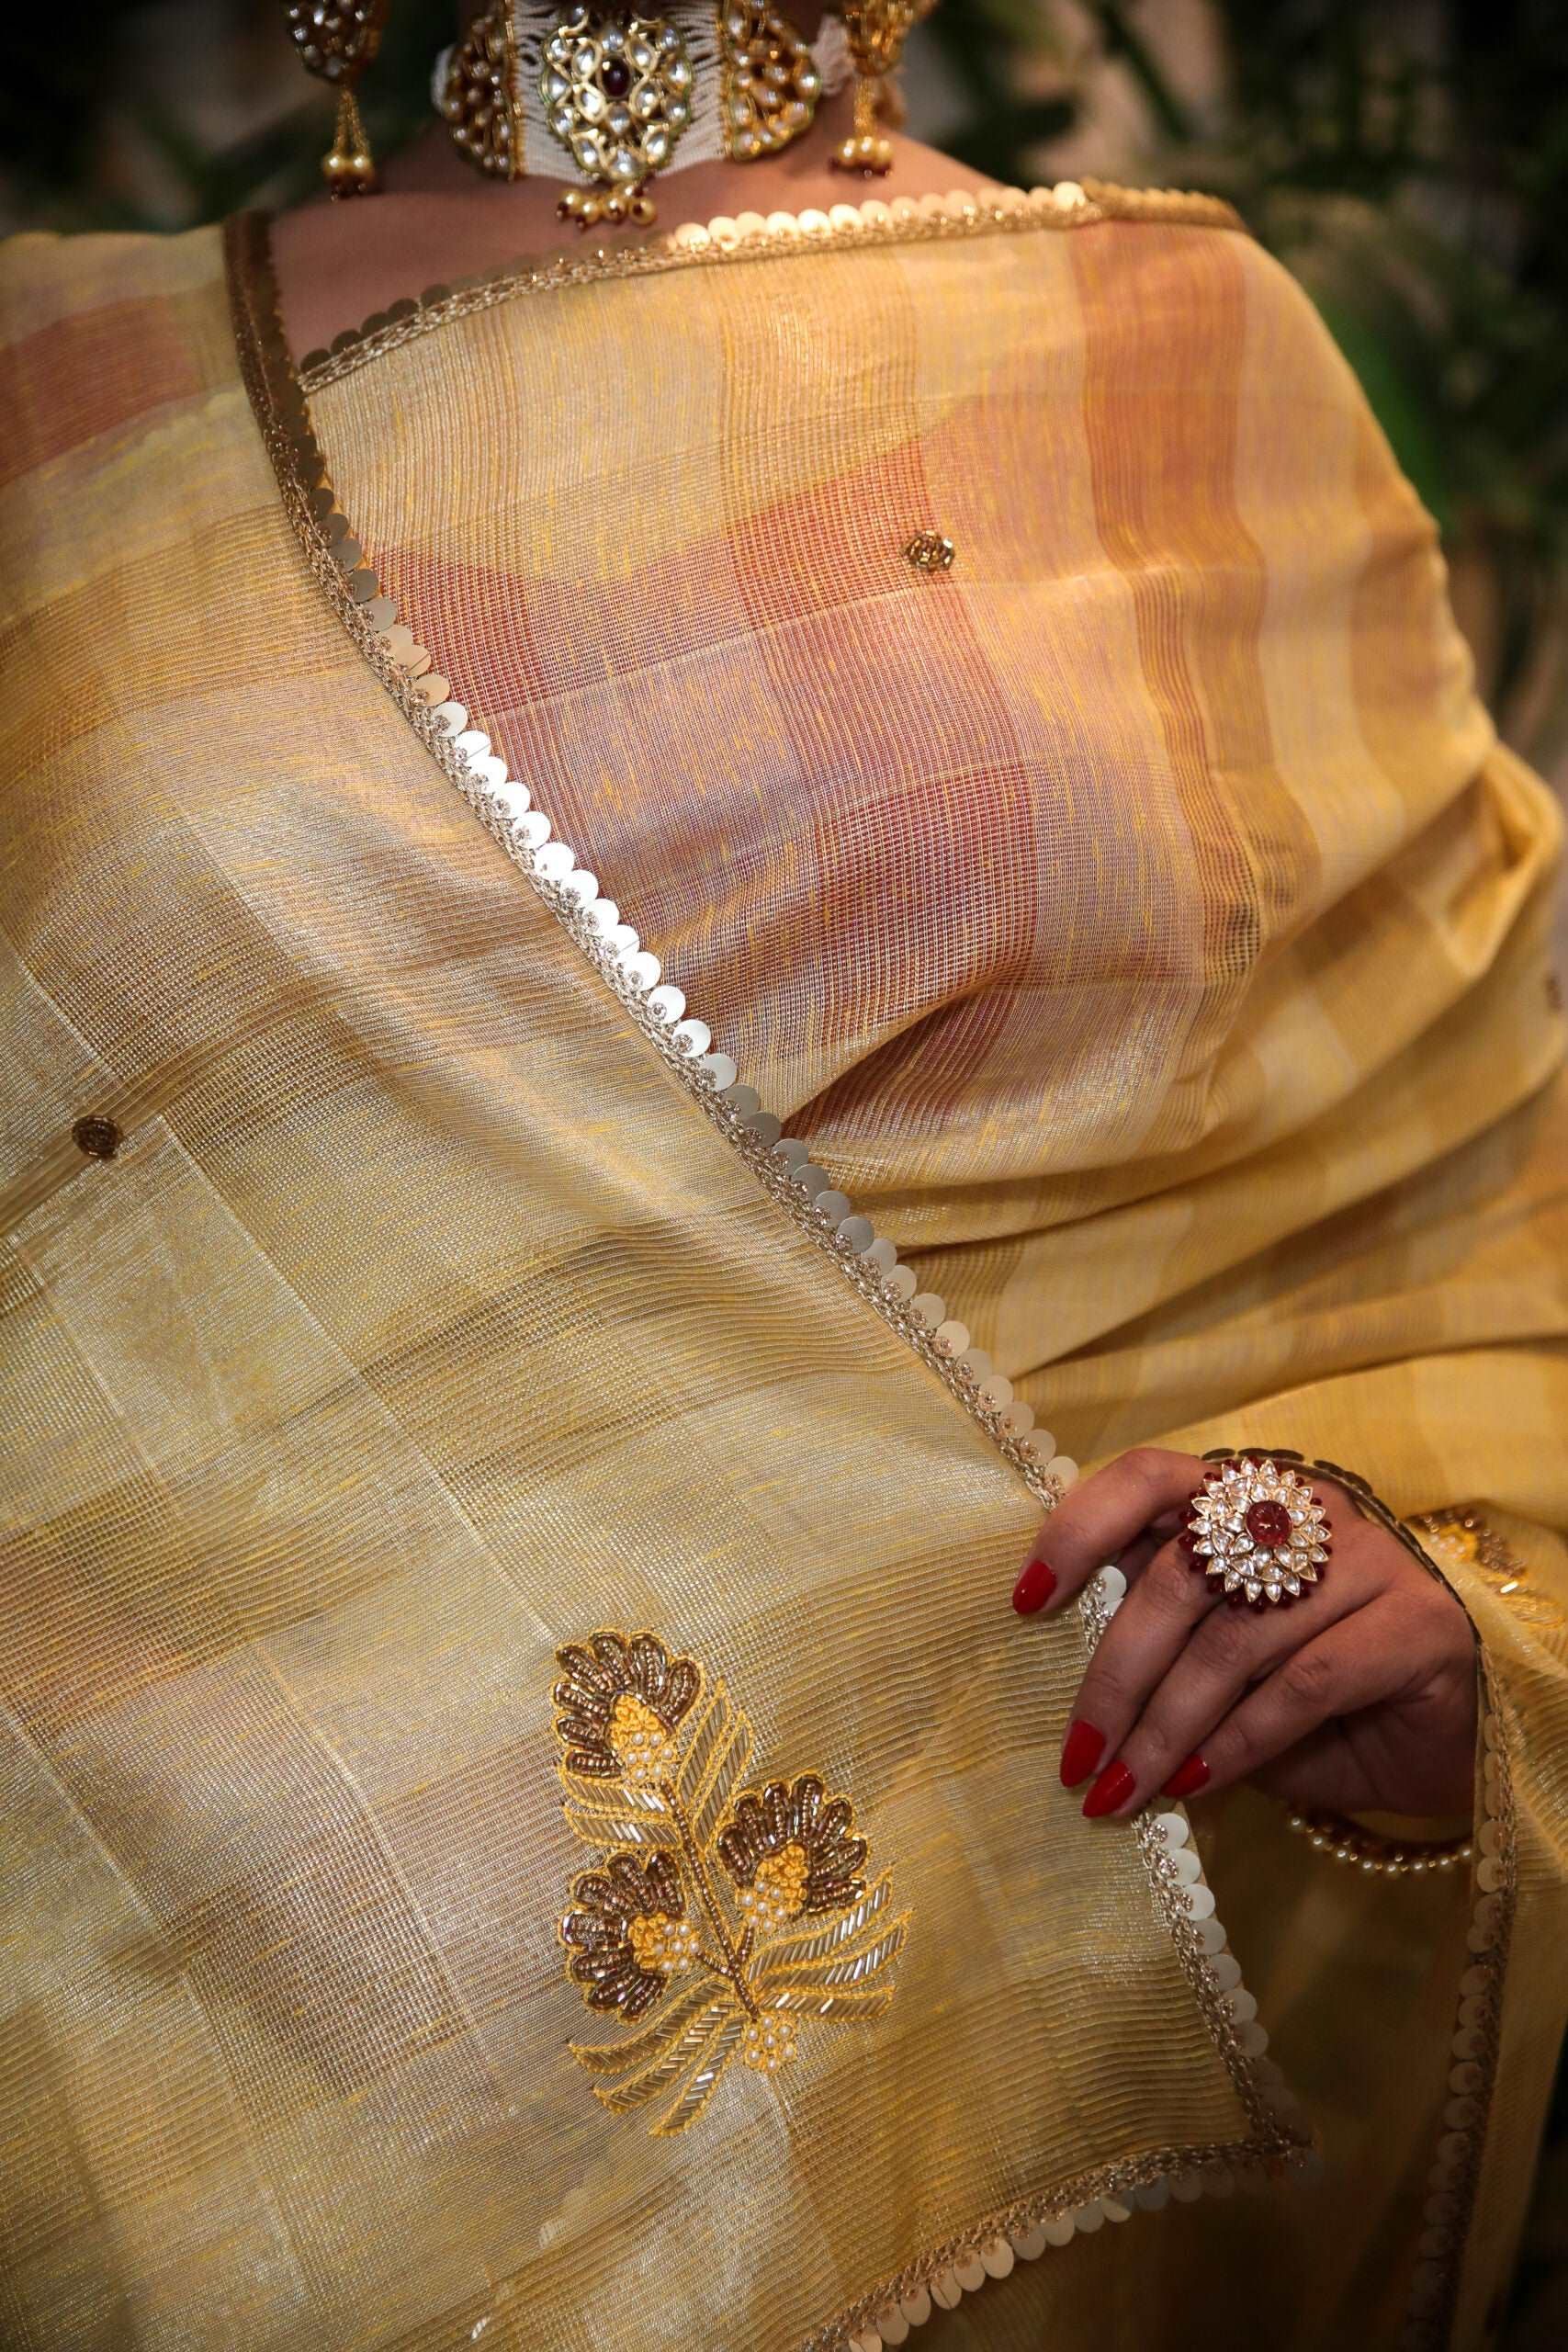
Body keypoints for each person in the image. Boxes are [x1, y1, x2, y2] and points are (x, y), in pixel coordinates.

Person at [2, 5, 1564, 2346]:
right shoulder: (50, 387)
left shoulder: (1179, 346)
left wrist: (1432, 1611)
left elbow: (1444, 1219)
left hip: (1045, 1985)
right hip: (206, 2070)